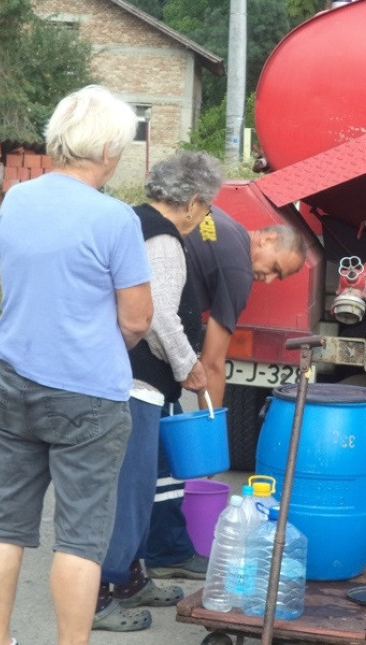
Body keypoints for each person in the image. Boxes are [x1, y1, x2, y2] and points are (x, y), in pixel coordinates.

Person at [0, 85, 153, 645]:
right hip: (88, 396)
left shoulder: (16, 199)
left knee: (5, 522)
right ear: (106, 148)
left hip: (14, 382)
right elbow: (137, 320)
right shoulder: (116, 219)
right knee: (79, 539)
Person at [92, 151, 225, 631]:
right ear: (191, 202)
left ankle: (130, 575)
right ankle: (102, 591)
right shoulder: (165, 239)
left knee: (138, 485)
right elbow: (158, 316)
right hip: (136, 381)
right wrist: (190, 367)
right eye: (206, 207)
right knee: (128, 490)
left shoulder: (132, 220)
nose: (204, 216)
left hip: (123, 374)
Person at [144, 210, 307, 579]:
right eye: (276, 268)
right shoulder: (238, 270)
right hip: (145, 347)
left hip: (133, 324)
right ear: (265, 239)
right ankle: (164, 553)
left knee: (150, 450)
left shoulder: (224, 223)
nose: (269, 280)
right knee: (161, 460)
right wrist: (210, 445)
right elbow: (214, 364)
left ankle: (156, 549)